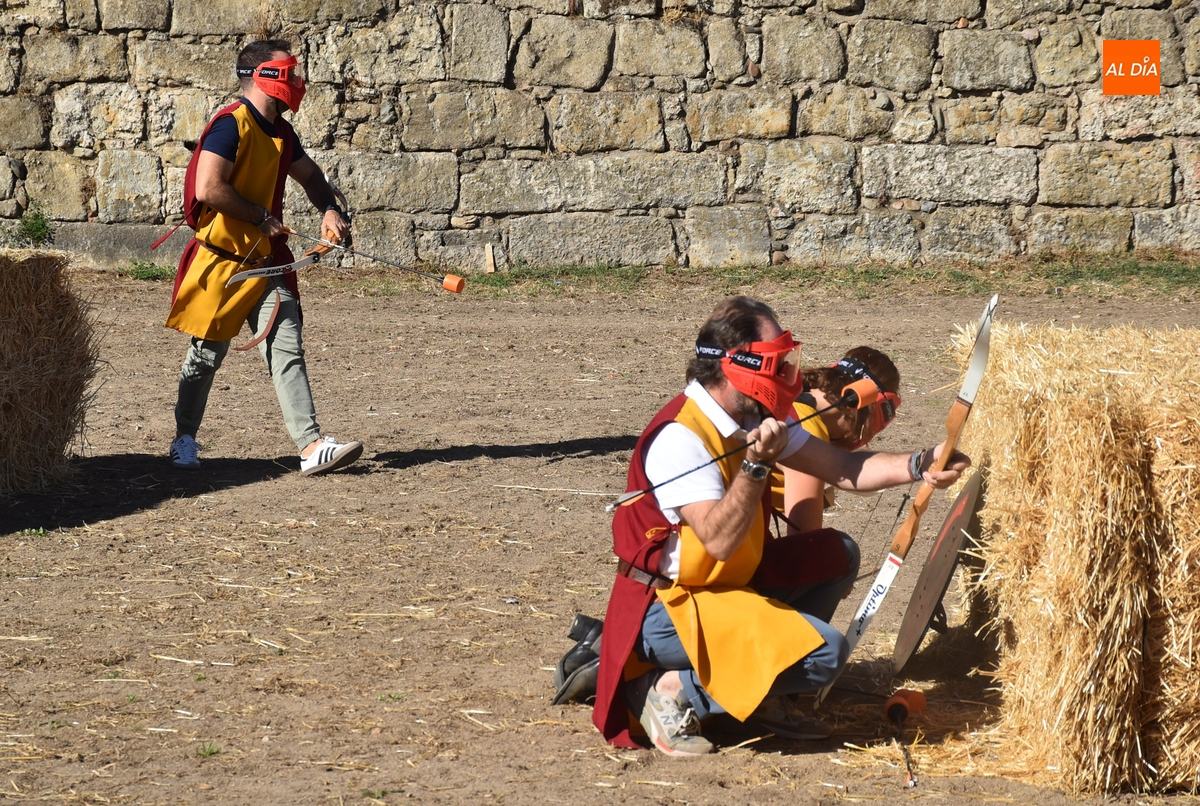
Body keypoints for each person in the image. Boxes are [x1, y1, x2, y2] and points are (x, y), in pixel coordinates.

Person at [593, 296, 969, 756]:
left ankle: (762, 691)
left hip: (723, 587)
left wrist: (921, 463)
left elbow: (844, 467)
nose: (789, 374)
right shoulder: (681, 437)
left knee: (834, 554)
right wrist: (754, 467)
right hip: (670, 608)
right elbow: (718, 541)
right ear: (739, 365)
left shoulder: (754, 415)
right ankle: (671, 690)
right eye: (776, 362)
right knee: (825, 653)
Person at [164, 39, 362, 477]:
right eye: (289, 73)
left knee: (286, 345)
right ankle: (184, 439)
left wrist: (330, 208)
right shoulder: (230, 125)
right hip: (224, 264)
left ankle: (311, 446)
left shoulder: (281, 132)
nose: (297, 82)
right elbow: (208, 189)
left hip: (267, 264)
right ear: (264, 77)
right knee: (205, 356)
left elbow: (311, 178)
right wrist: (260, 217)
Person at [774, 347, 902, 534]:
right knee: (841, 549)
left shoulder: (787, 395)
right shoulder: (809, 434)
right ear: (857, 405)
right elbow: (803, 543)